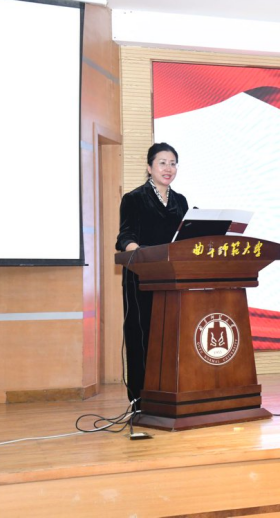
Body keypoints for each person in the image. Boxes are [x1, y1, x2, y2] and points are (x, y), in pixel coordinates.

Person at [116, 142, 188, 406]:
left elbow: (184, 240)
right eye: (162, 163)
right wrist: (142, 253)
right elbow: (125, 237)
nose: (168, 168)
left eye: (173, 163)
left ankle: (170, 395)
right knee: (143, 337)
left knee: (171, 338)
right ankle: (140, 399)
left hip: (173, 279)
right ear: (149, 167)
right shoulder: (134, 199)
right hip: (142, 278)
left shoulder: (181, 201)